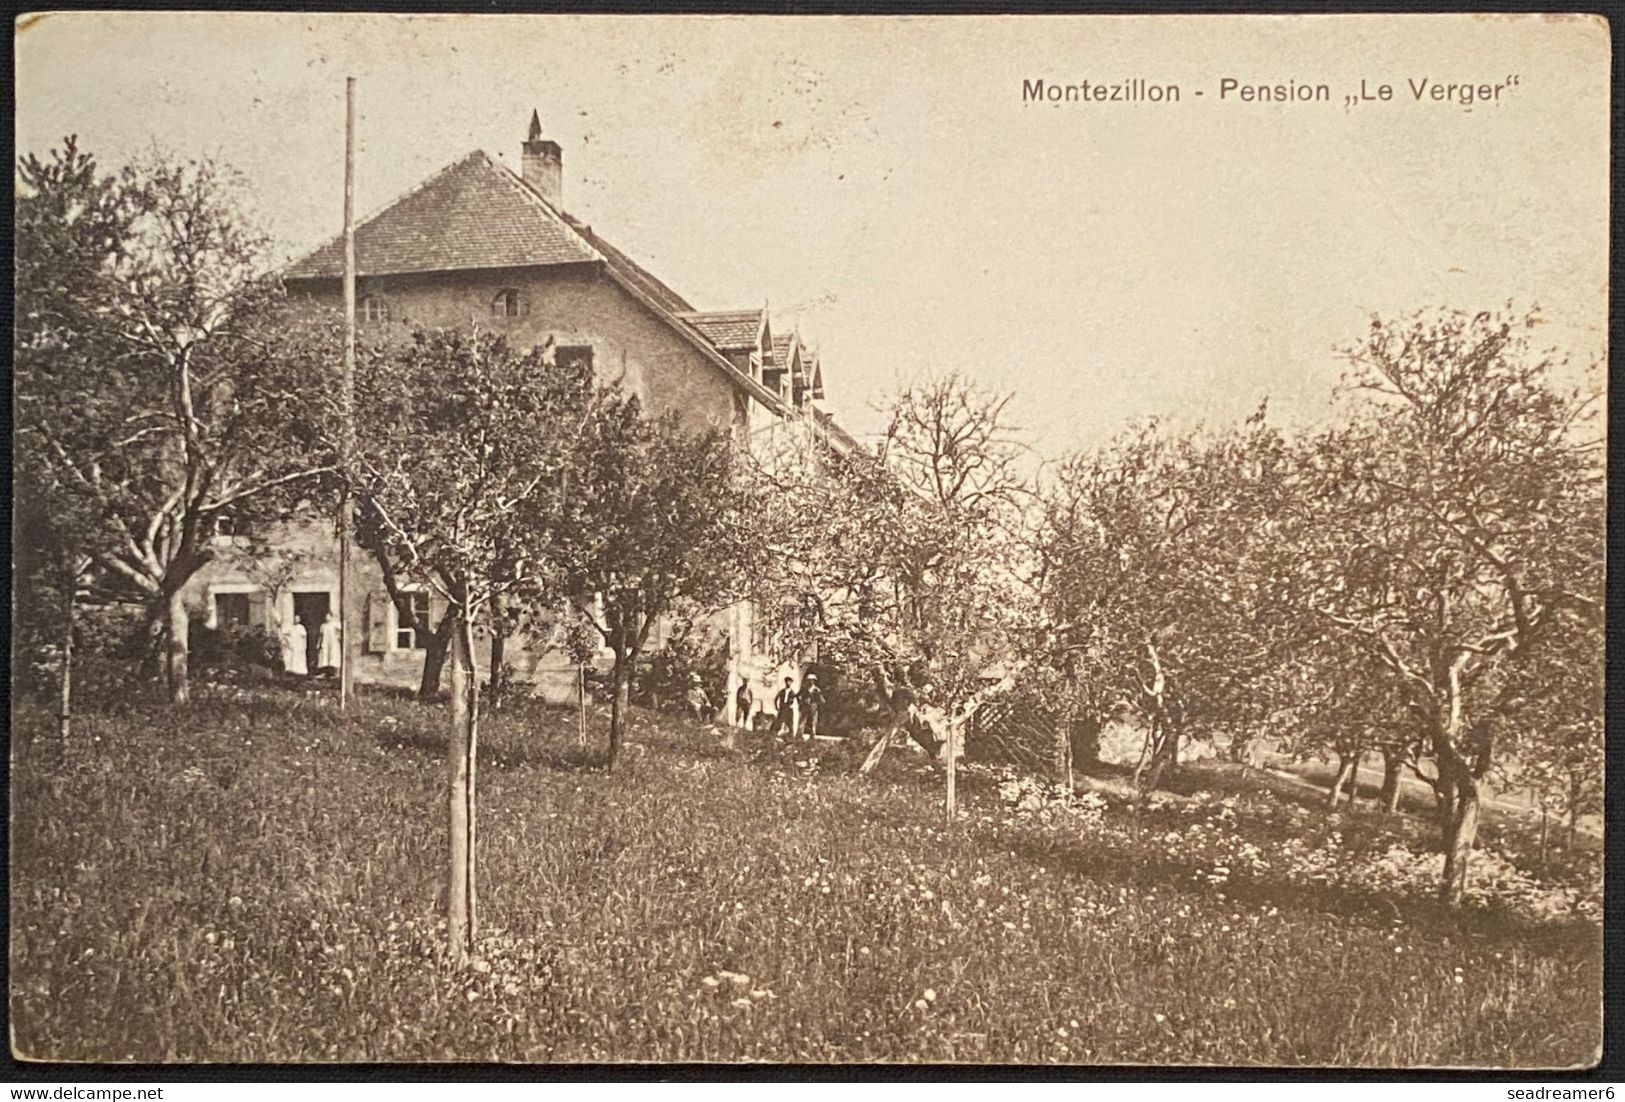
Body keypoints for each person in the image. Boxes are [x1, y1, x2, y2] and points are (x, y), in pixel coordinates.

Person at [768, 676, 798, 740]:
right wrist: (776, 706)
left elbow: (794, 700)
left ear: (791, 683)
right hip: (782, 708)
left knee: (790, 723)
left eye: (790, 682)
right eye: (787, 682)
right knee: (778, 721)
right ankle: (773, 734)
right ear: (785, 682)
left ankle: (791, 737)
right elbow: (776, 698)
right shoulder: (782, 691)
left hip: (789, 709)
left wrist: (791, 705)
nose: (788, 683)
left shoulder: (792, 692)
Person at [798, 673, 825, 739]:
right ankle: (799, 735)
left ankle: (812, 736)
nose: (810, 681)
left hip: (813, 706)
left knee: (813, 721)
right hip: (805, 706)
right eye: (809, 680)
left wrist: (816, 703)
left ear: (814, 681)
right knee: (803, 720)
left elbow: (822, 700)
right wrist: (801, 701)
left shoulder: (817, 690)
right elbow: (799, 696)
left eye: (812, 680)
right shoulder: (804, 689)